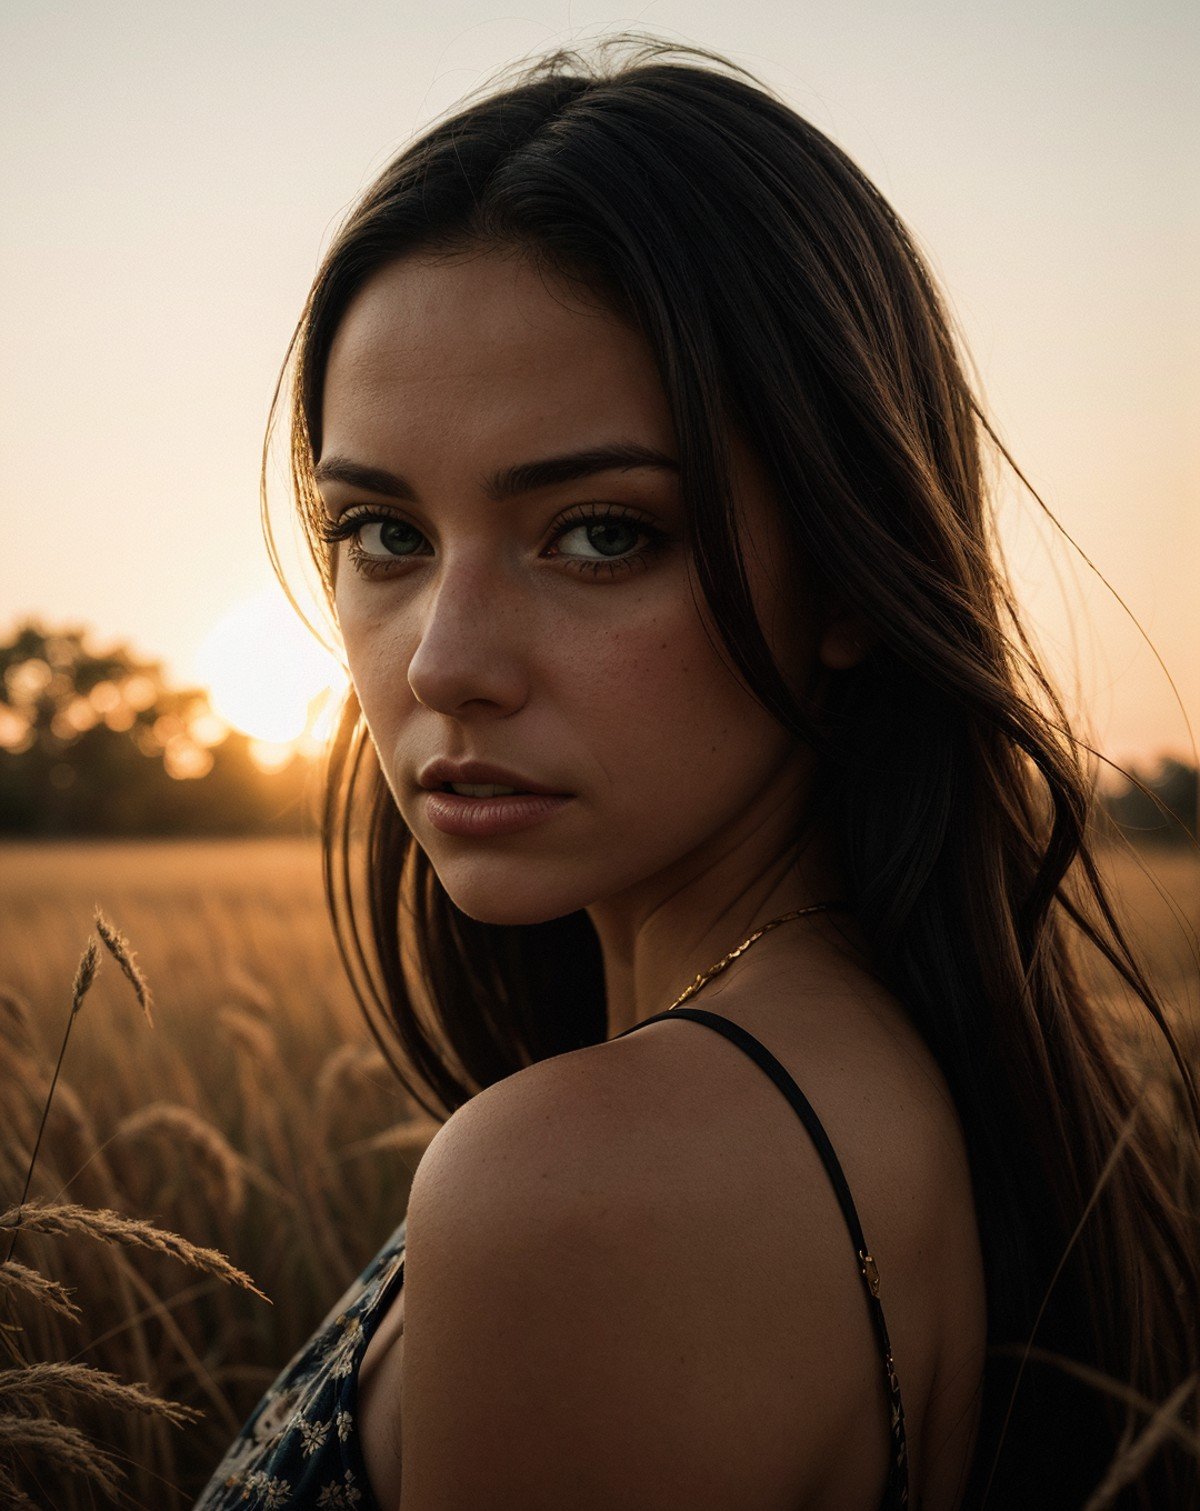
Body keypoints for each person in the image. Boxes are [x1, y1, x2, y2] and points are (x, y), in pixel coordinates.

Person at [194, 35, 1199, 1511]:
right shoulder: (886, 1069)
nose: (441, 662)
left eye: (603, 532)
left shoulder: (588, 1191)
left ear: (853, 573)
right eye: (382, 533)